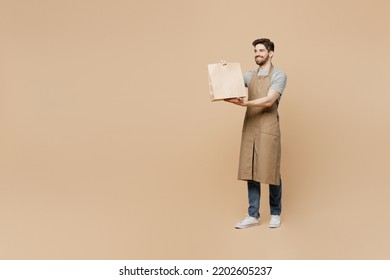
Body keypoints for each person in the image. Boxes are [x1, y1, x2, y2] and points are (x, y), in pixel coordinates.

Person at [222, 38, 287, 229]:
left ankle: (275, 212)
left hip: (268, 126)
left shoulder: (279, 76)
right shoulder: (250, 75)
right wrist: (225, 69)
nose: (257, 54)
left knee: (271, 170)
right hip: (250, 126)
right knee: (250, 170)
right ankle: (253, 215)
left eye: (261, 50)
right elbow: (229, 83)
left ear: (270, 53)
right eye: (255, 51)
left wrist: (244, 104)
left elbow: (268, 100)